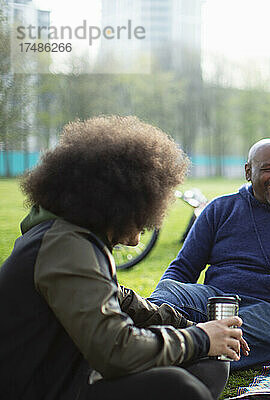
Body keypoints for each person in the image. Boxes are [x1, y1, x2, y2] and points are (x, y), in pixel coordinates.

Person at [0, 116, 249, 400]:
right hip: (38, 387)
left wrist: (193, 328)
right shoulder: (67, 246)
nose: (154, 216)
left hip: (65, 372)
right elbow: (115, 349)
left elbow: (121, 300)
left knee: (209, 364)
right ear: (121, 199)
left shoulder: (69, 236)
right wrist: (202, 338)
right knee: (179, 387)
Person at [149, 138, 270, 370]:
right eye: (268, 169)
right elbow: (183, 268)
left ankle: (170, 354)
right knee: (168, 291)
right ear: (248, 171)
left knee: (227, 339)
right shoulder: (219, 209)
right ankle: (151, 341)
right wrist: (162, 306)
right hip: (218, 301)